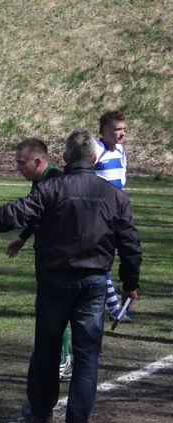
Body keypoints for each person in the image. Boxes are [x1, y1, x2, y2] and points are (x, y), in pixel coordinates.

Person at [0, 129, 141, 423]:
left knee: (47, 349)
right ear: (94, 158)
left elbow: (13, 214)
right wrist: (130, 284)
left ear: (64, 158)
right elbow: (130, 244)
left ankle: (40, 410)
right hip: (93, 281)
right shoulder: (114, 196)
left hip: (55, 280)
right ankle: (78, 420)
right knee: (87, 353)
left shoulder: (50, 189)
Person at [4, 139, 72, 380]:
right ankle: (63, 358)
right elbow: (36, 216)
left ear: (37, 161)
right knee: (51, 311)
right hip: (46, 255)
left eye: (21, 163)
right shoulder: (40, 182)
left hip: (60, 259)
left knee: (57, 311)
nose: (18, 167)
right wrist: (22, 238)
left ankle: (64, 359)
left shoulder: (56, 181)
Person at [95, 110, 130, 321]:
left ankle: (115, 306)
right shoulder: (95, 150)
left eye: (124, 129)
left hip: (119, 213)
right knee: (102, 259)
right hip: (100, 215)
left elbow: (121, 180)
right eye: (118, 129)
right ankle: (114, 308)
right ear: (105, 131)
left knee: (125, 255)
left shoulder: (121, 150)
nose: (123, 133)